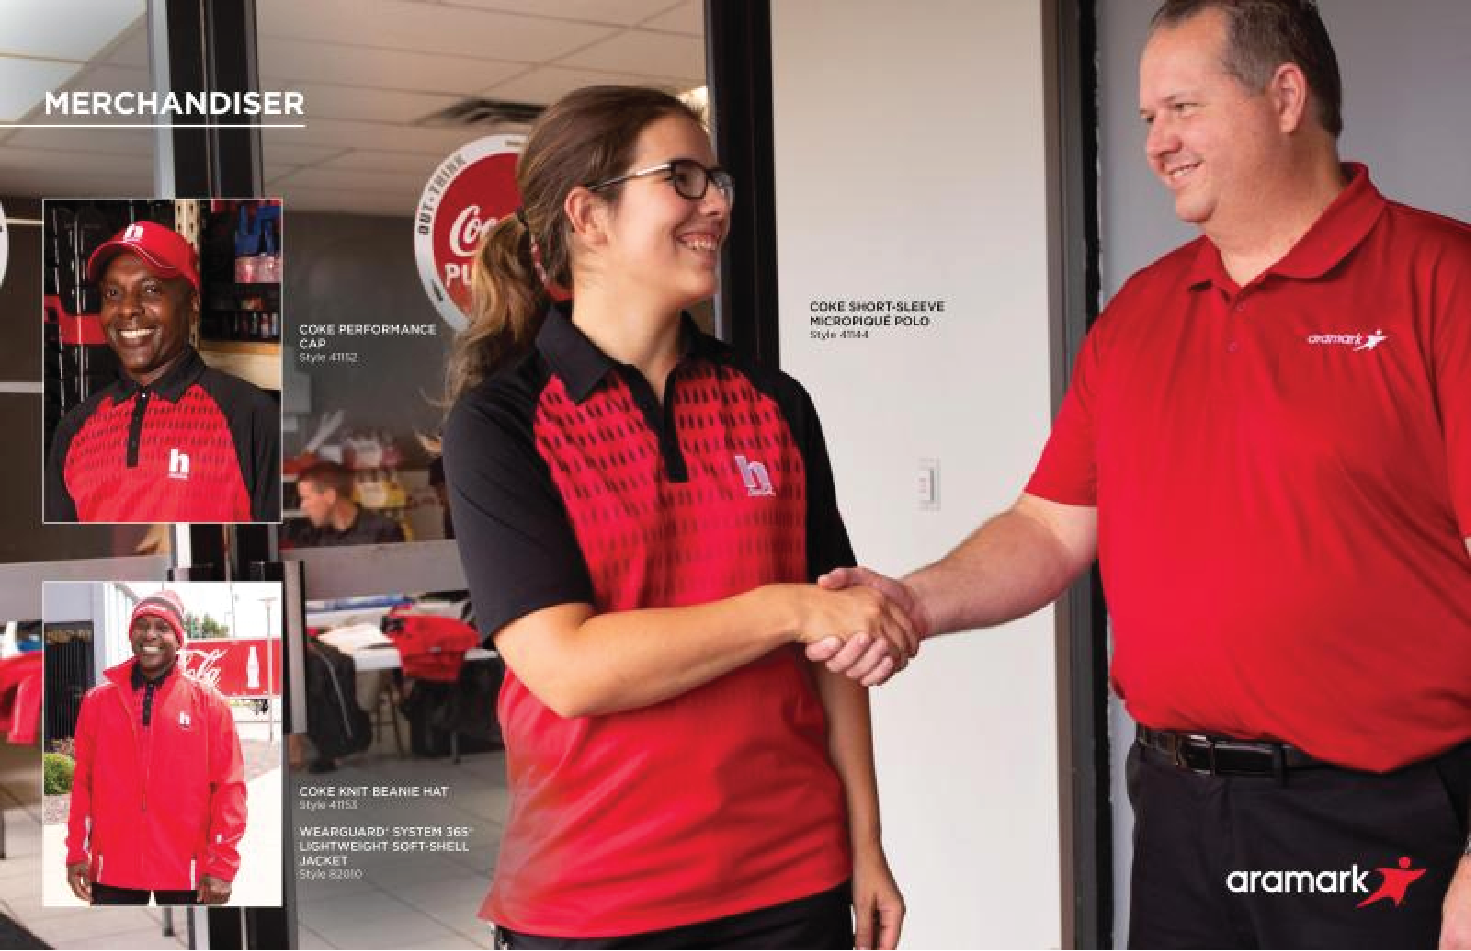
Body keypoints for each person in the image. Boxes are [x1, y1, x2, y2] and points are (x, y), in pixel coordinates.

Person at [816, 1, 1471, 947]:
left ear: (1284, 95)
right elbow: (1047, 527)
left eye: (1181, 108)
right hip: (1178, 811)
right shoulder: (1140, 313)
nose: (1157, 143)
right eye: (1145, 120)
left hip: (1376, 817)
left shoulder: (1440, 280)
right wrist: (909, 603)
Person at [442, 85, 914, 949]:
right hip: (595, 901)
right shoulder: (500, 423)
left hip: (791, 883)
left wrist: (865, 841)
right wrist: (788, 606)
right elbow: (570, 668)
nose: (717, 204)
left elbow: (834, 645)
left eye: (718, 180)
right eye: (683, 179)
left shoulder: (774, 402)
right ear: (588, 215)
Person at [44, 219, 280, 523]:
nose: (127, 309)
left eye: (151, 290)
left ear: (193, 304)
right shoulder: (75, 429)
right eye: (113, 294)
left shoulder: (250, 416)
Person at [64, 590, 248, 906]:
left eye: (162, 627)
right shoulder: (97, 703)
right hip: (113, 867)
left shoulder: (209, 704)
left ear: (178, 639)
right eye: (142, 625)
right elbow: (83, 783)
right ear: (131, 634)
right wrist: (77, 851)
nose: (150, 634)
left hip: (186, 868)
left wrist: (223, 863)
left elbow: (229, 788)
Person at [285, 460, 405, 547]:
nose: (302, 506)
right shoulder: (309, 538)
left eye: (305, 498)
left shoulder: (383, 531)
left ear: (330, 496)